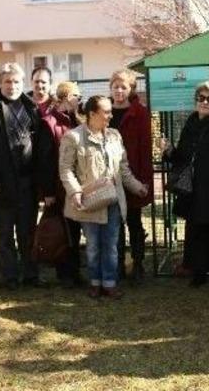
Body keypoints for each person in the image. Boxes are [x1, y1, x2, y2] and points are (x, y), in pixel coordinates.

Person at [0, 63, 54, 289]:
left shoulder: (31, 108)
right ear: (0, 83)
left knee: (28, 232)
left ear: (23, 83)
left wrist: (42, 184)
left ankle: (31, 274)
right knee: (5, 233)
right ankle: (10, 276)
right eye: (7, 81)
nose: (12, 86)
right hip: (0, 184)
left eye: (17, 81)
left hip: (27, 183)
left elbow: (41, 149)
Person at [59, 96, 148, 299]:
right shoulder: (73, 137)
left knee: (112, 245)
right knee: (93, 246)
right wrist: (76, 192)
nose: (110, 115)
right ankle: (95, 282)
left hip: (114, 200)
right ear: (92, 114)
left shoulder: (115, 136)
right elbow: (66, 170)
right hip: (89, 202)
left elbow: (123, 169)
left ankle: (109, 283)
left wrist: (137, 188)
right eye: (106, 112)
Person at [161, 81, 209, 288]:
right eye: (201, 98)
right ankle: (198, 272)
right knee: (195, 231)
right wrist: (169, 151)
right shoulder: (190, 124)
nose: (205, 102)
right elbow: (182, 158)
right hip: (193, 189)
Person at [108, 69, 153, 283]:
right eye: (115, 86)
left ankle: (137, 263)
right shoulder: (104, 111)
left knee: (134, 222)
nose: (119, 91)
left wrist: (144, 180)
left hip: (133, 174)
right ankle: (116, 265)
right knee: (113, 223)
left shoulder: (140, 113)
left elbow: (145, 148)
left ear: (131, 89)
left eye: (123, 87)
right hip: (108, 177)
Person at [41, 81, 85, 287]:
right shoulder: (49, 123)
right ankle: (65, 274)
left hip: (77, 187)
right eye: (77, 96)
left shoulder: (77, 121)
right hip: (59, 189)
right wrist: (48, 191)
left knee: (74, 232)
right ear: (67, 97)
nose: (80, 100)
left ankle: (74, 272)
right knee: (63, 232)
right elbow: (45, 161)